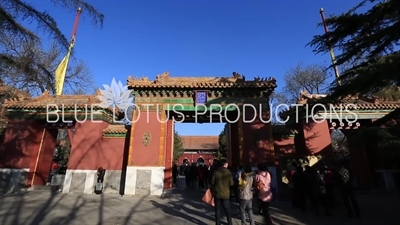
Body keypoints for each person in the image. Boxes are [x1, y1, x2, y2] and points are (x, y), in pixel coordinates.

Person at [211, 159, 234, 225]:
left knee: (217, 210)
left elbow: (212, 182)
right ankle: (229, 223)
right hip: (226, 194)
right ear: (224, 164)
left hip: (217, 193)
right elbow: (231, 183)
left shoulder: (216, 172)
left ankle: (218, 223)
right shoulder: (228, 173)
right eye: (227, 164)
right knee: (227, 210)